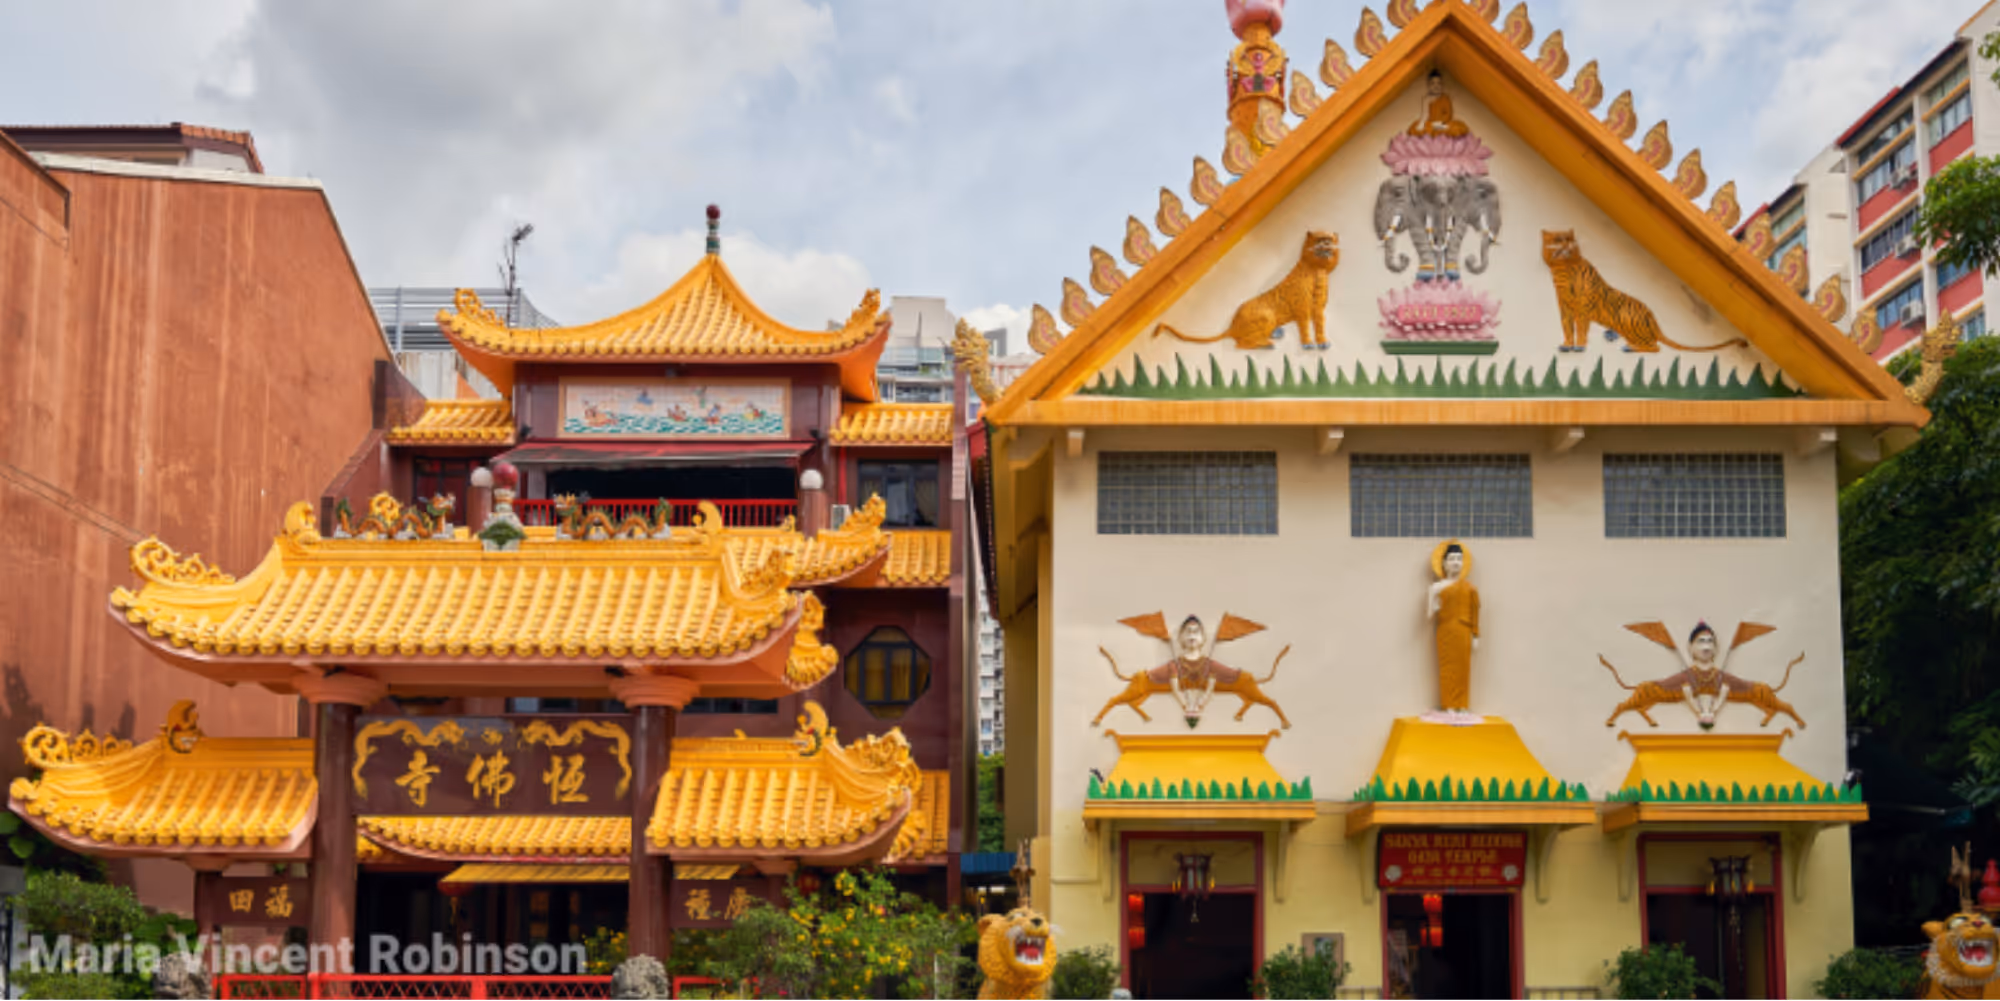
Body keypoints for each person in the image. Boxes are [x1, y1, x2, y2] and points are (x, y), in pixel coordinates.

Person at [1427, 541, 1480, 711]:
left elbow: (1475, 612)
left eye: (1459, 559)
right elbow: (1429, 614)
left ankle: (1462, 705)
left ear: (1463, 563)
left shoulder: (1470, 588)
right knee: (1447, 669)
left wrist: (1476, 635)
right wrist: (1434, 602)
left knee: (1463, 670)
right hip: (1445, 631)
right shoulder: (1436, 587)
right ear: (1444, 563)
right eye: (1451, 559)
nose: (1455, 562)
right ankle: (1449, 704)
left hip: (1464, 631)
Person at [1408, 71, 1471, 138]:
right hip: (1430, 125)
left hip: (1443, 124)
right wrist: (1426, 104)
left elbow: (1447, 115)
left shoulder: (1445, 99)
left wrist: (1439, 124)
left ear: (1442, 85)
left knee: (1458, 126)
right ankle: (1434, 132)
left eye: (1439, 83)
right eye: (1433, 83)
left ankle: (1435, 132)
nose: (1436, 86)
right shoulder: (1426, 99)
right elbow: (1424, 117)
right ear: (1428, 85)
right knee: (1415, 127)